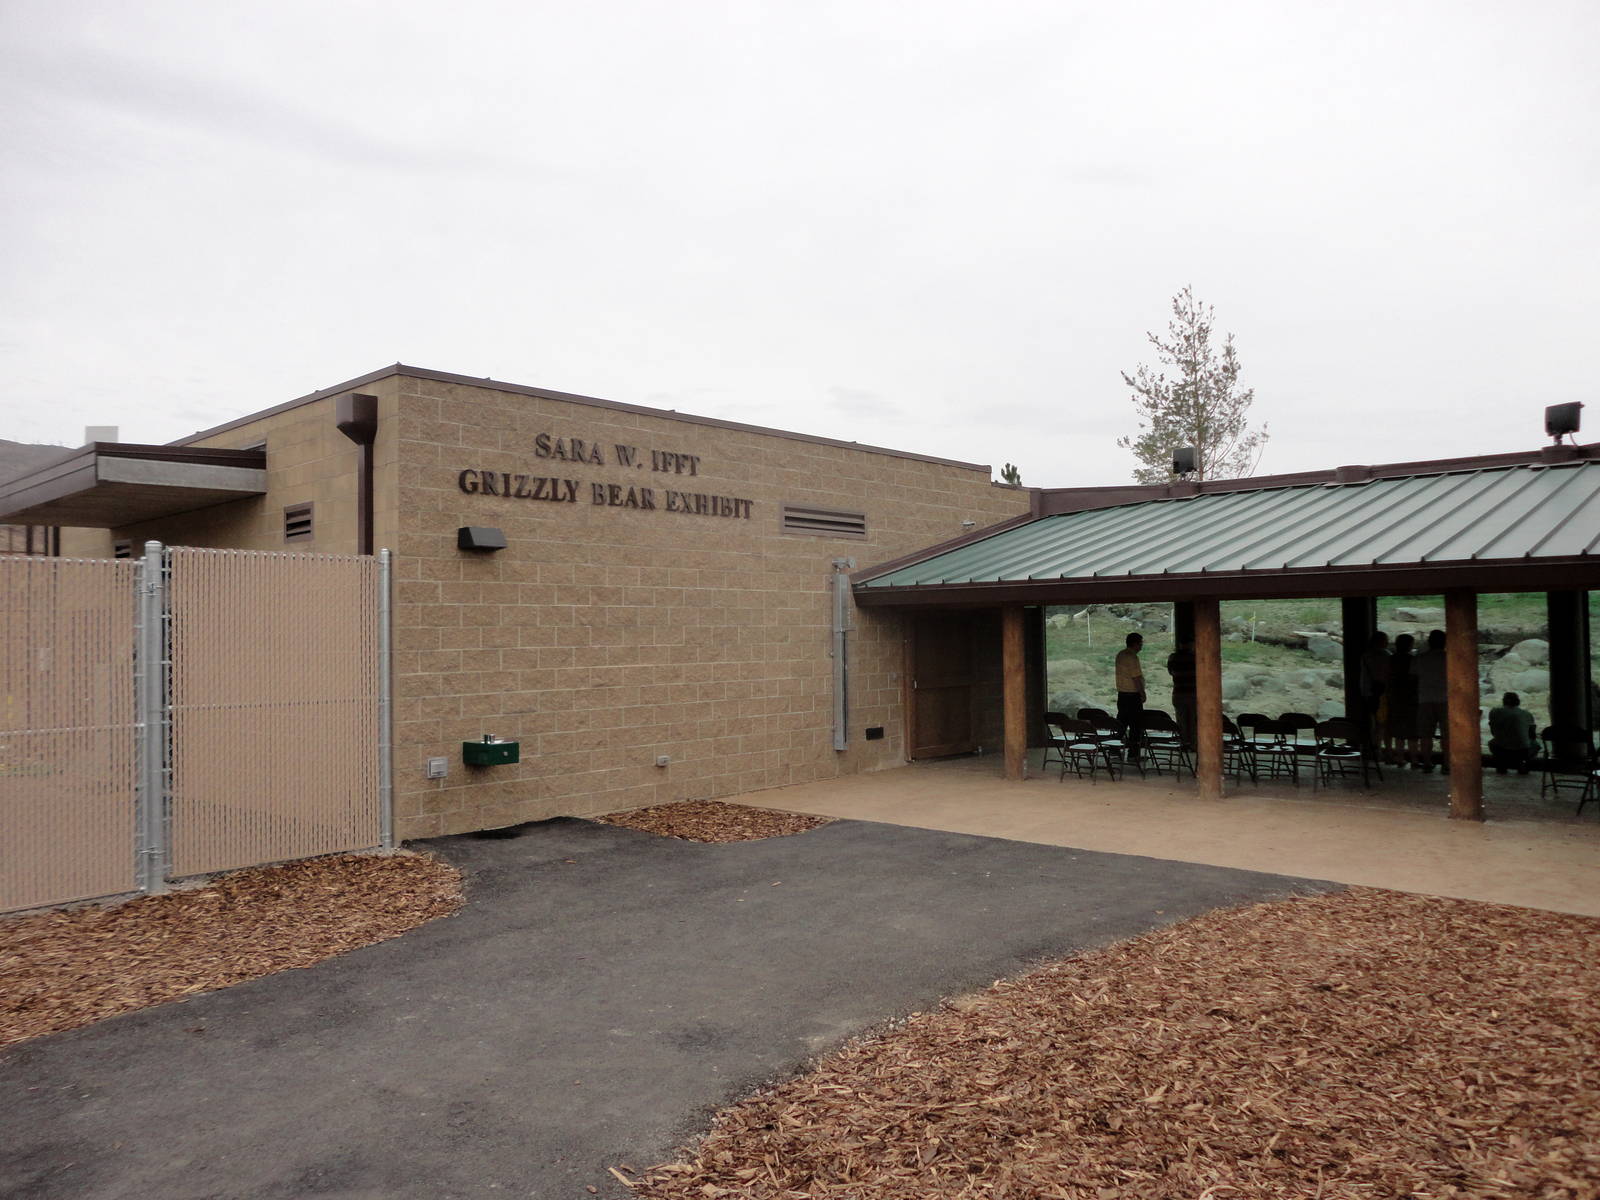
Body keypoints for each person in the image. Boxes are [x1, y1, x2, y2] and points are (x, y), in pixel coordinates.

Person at [1413, 629, 1448, 772]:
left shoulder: (1420, 658)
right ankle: (1447, 764)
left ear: (1429, 642)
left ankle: (1427, 763)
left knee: (1425, 734)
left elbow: (1412, 677)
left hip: (1424, 699)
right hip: (1446, 700)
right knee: (1448, 735)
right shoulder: (1450, 658)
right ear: (1445, 643)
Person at [1383, 633, 1419, 768]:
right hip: (1411, 699)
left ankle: (1400, 757)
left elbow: (1387, 678)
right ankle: (1414, 759)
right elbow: (1415, 679)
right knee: (1412, 731)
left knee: (1398, 731)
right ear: (1410, 645)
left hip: (1395, 698)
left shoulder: (1390, 659)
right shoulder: (1413, 660)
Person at [1487, 692, 1538, 774]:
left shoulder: (1494, 712)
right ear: (1518, 701)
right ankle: (1521, 763)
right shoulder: (1526, 714)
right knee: (1535, 744)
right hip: (1522, 750)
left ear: (1503, 701)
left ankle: (1502, 764)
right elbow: (1532, 735)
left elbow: (1493, 732)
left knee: (1492, 743)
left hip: (1501, 749)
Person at [1114, 632, 1146, 756]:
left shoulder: (1121, 654)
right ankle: (1133, 753)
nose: (1142, 646)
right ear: (1135, 644)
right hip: (1132, 696)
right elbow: (1136, 678)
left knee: (1121, 723)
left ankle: (1114, 747)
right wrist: (1142, 693)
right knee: (1135, 725)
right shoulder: (1132, 657)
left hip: (1122, 695)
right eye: (1141, 643)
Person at [1359, 630, 1390, 748]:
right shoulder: (1386, 655)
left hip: (1368, 693)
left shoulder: (1366, 655)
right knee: (1382, 723)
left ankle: (1371, 747)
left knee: (1372, 722)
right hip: (1381, 693)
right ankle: (1381, 749)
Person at [1166, 638, 1197, 747]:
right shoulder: (1196, 658)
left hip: (1178, 693)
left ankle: (1183, 743)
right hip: (1193, 693)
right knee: (1194, 721)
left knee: (1181, 720)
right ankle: (1194, 744)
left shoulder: (1173, 658)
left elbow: (1170, 672)